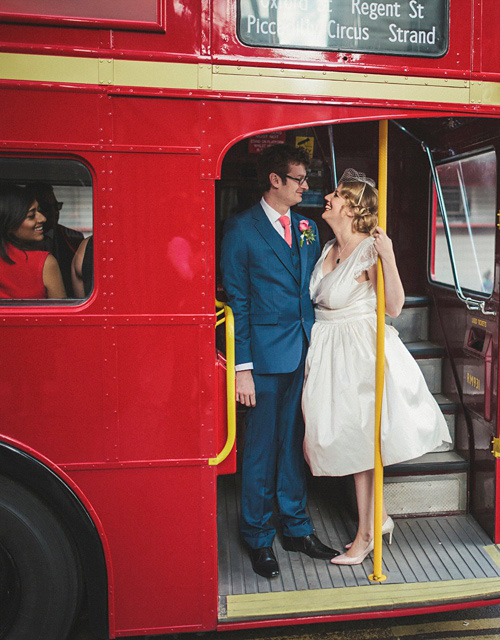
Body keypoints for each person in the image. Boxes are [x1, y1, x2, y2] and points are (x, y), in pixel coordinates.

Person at [301, 169, 451, 565]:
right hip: (330, 350)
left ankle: (366, 535)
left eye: (336, 195)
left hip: (359, 354)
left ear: (351, 207)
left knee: (361, 443)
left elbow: (394, 306)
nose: (327, 199)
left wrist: (389, 257)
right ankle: (377, 519)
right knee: (347, 440)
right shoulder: (329, 247)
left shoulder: (370, 250)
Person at [220, 144, 338, 579]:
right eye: (299, 180)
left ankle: (295, 527)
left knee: (295, 445)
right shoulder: (240, 229)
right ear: (275, 180)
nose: (306, 187)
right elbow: (239, 302)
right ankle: (256, 535)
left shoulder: (307, 226)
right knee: (258, 451)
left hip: (305, 354)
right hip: (264, 361)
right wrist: (242, 368)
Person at [0, 184, 67, 299]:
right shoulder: (44, 263)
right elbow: (61, 316)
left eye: (39, 211)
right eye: (31, 216)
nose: (43, 218)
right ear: (8, 223)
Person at [28, 183, 84, 297]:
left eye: (57, 206)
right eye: (46, 208)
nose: (55, 212)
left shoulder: (74, 238)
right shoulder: (18, 242)